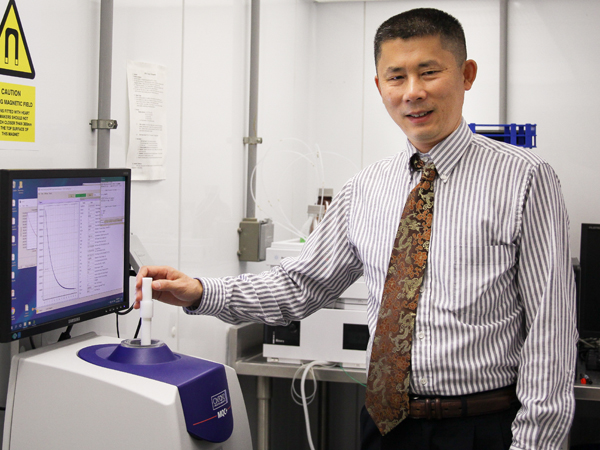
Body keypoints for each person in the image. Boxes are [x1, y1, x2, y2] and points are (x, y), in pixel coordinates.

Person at [135, 8, 577, 450]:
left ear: (466, 74)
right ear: (379, 86)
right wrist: (199, 291)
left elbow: (550, 333)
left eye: (429, 72)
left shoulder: (525, 179)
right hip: (383, 427)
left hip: (480, 428)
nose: (413, 92)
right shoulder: (365, 189)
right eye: (396, 77)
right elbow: (300, 285)